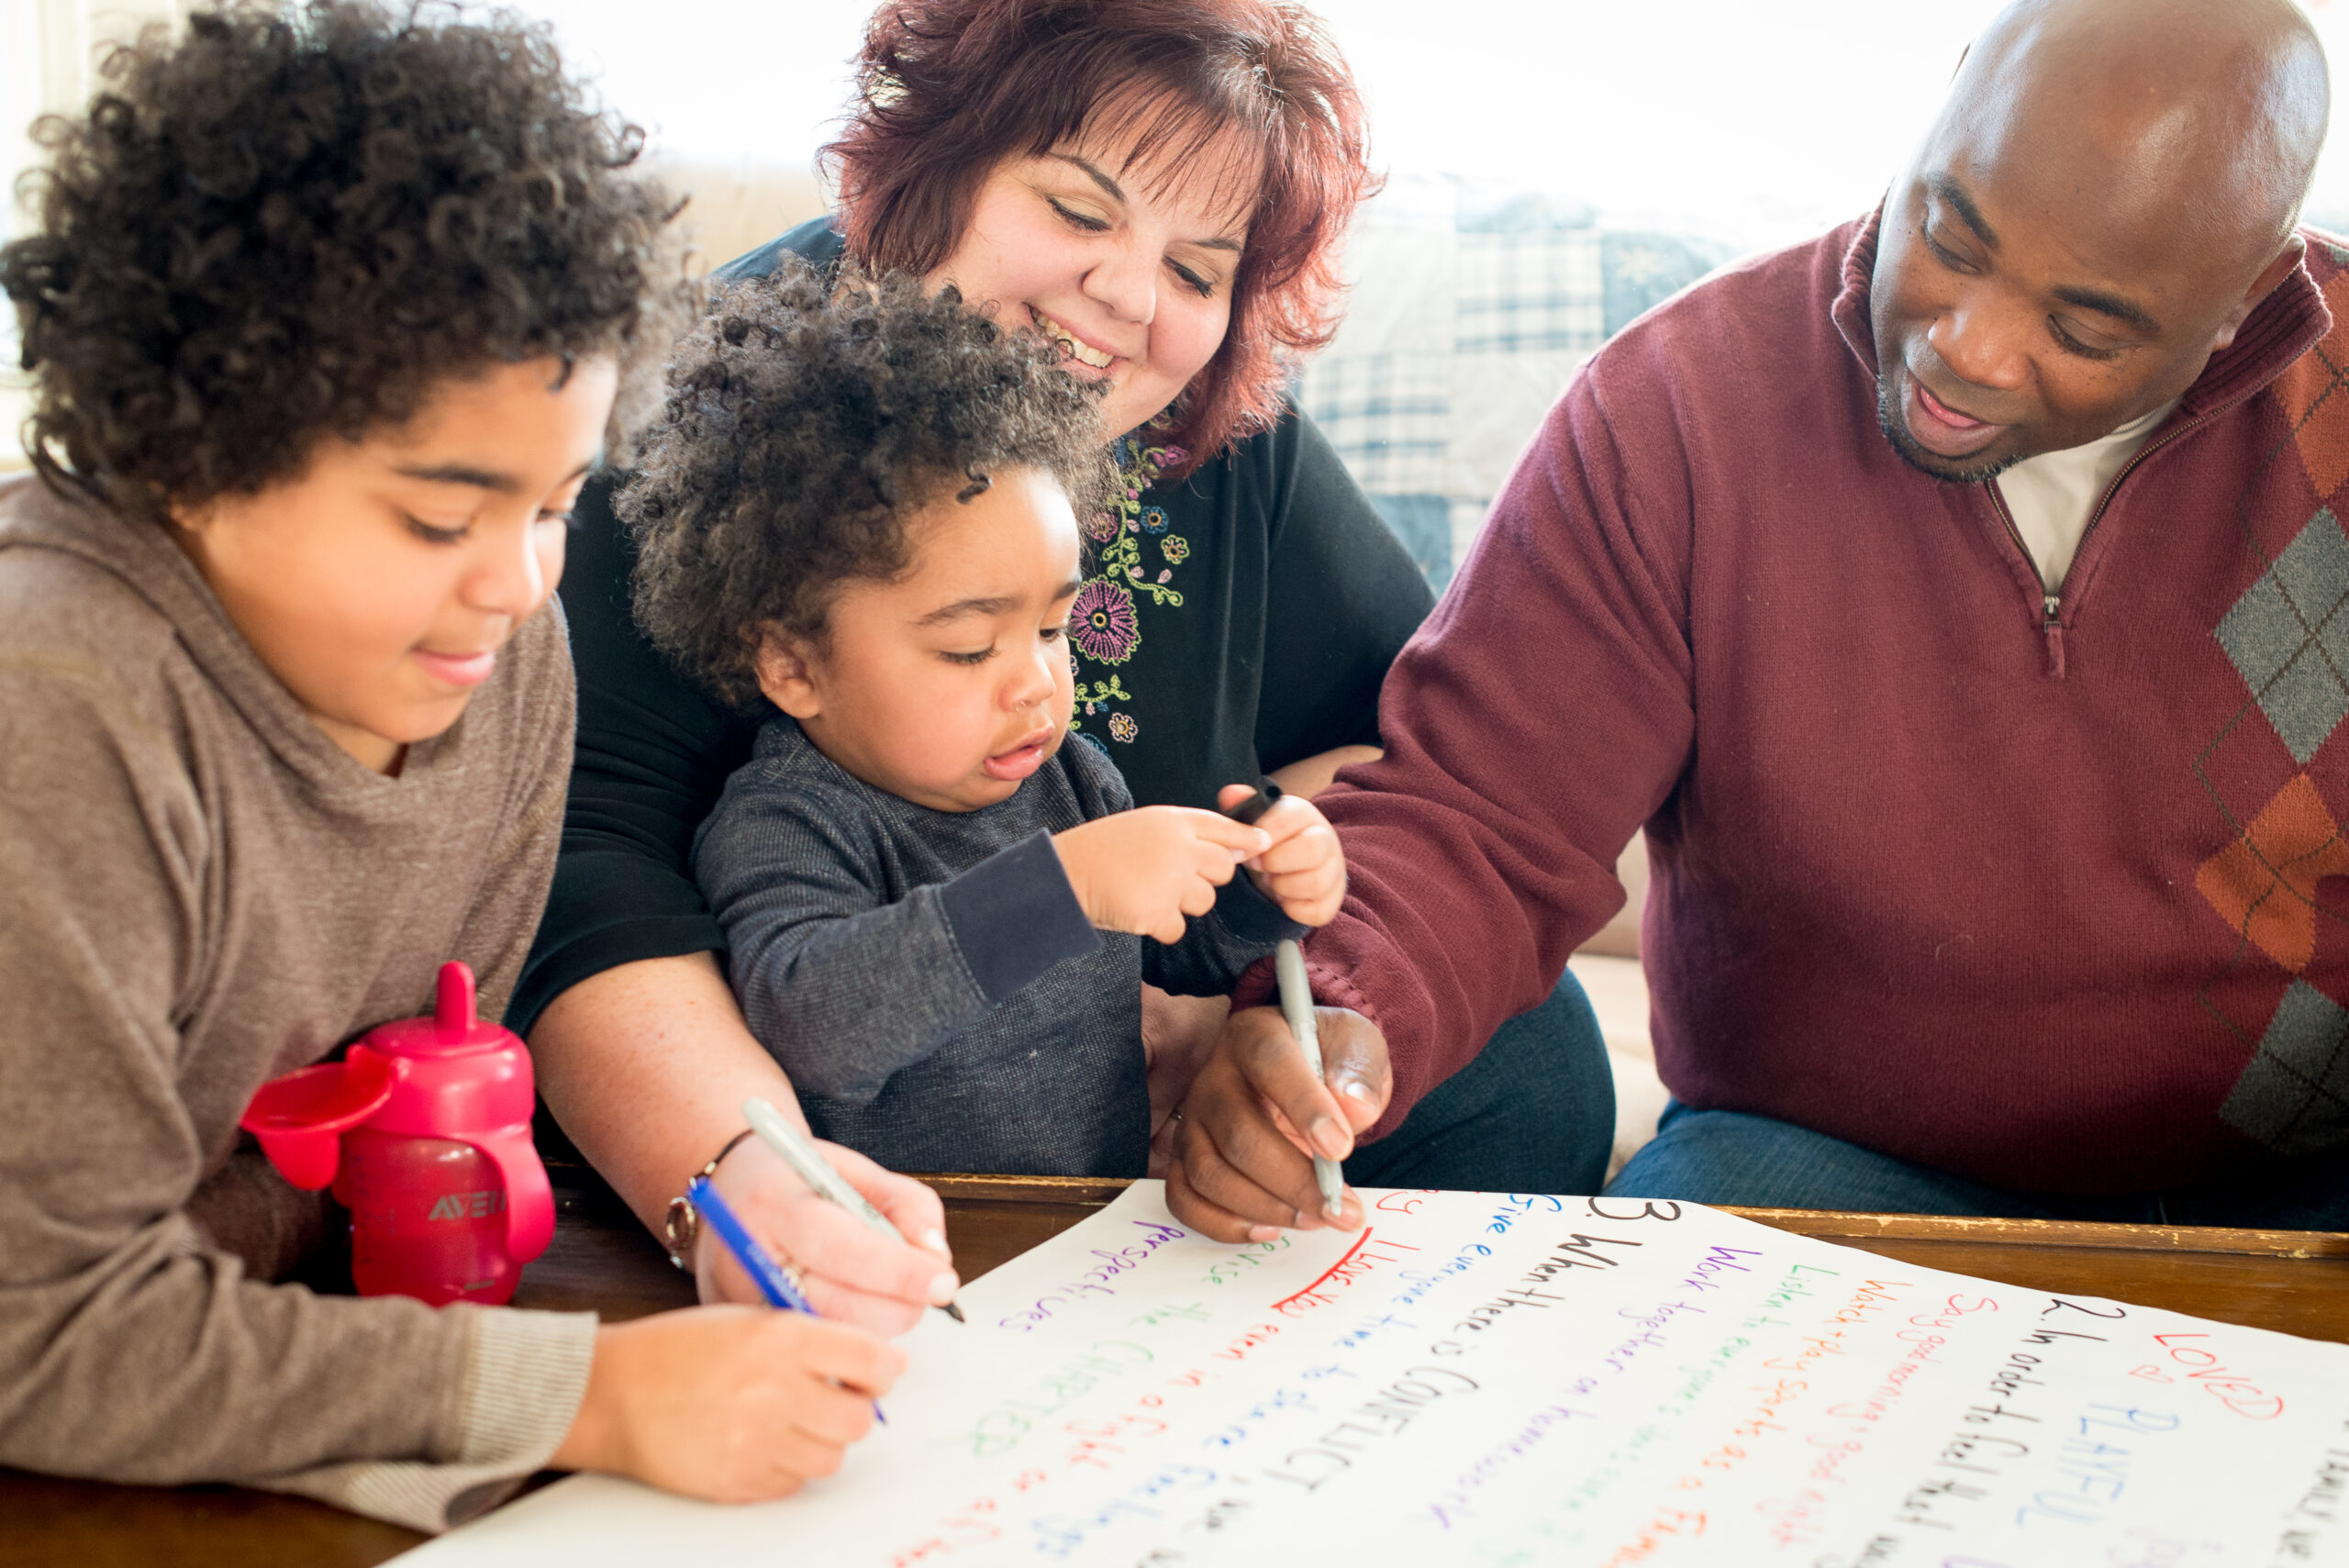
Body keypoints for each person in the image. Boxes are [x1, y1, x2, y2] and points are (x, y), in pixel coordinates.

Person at [1159, 0, 2349, 1240]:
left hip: (2306, 1176)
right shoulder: (1676, 408)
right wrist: (1337, 1022)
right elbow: (1484, 818)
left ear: (2245, 296)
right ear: (1946, 103)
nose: (1970, 349)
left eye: (2084, 326)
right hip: (1820, 1154)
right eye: (1951, 235)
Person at [521, 0, 1616, 1296]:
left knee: (1533, 1055)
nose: (1129, 296)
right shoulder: (715, 429)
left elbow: (1408, 750)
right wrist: (749, 1177)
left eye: (1197, 271)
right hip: (805, 1091)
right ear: (935, 161)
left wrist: (1242, 999)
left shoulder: (1206, 434)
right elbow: (584, 882)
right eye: (1080, 209)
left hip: (1104, 1111)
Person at [0, 1, 904, 1529]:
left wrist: (735, 1189)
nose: (516, 581)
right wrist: (590, 1394)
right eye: (437, 517)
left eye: (554, 503)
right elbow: (41, 1327)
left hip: (254, 1384)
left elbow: (410, 1115)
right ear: (190, 455)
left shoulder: (498, 651)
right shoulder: (59, 705)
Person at [629, 265, 1347, 1177]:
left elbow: (1181, 955)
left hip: (1097, 1230)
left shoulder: (1074, 780)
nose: (1037, 684)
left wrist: (1258, 891)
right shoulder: (791, 820)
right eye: (970, 648)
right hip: (921, 1240)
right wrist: (1063, 888)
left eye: (1052, 628)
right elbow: (816, 1026)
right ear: (792, 665)